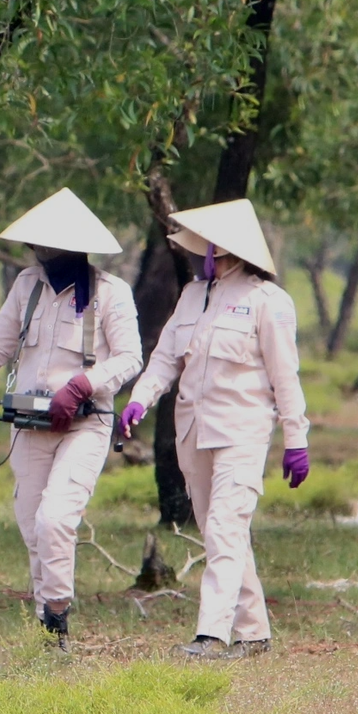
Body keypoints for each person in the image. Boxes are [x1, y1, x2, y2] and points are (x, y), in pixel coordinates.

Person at [0, 188, 142, 649]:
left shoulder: (110, 293)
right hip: (30, 421)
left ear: (72, 246)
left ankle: (56, 614)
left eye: (46, 246)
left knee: (56, 519)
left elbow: (130, 359)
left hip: (86, 421)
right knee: (31, 524)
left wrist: (82, 385)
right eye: (35, 246)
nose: (39, 253)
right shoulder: (27, 285)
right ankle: (46, 627)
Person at [122, 198, 309, 660]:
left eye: (209, 246)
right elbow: (166, 357)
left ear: (227, 249)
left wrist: (295, 440)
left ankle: (211, 635)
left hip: (242, 432)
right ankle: (255, 633)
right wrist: (140, 398)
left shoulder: (268, 302)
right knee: (220, 534)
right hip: (194, 432)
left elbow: (286, 378)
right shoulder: (191, 296)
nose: (199, 253)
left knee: (226, 528)